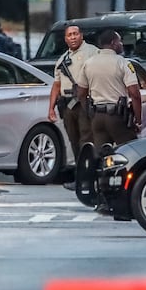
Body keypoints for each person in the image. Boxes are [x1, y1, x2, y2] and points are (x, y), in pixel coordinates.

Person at [48, 23, 99, 191]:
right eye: (69, 35)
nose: (73, 37)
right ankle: (80, 177)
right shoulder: (62, 60)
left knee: (86, 141)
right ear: (65, 39)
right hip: (68, 104)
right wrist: (51, 108)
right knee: (74, 142)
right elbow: (56, 85)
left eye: (75, 34)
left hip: (84, 102)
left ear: (81, 35)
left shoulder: (92, 52)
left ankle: (90, 178)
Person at [76, 29, 142, 156]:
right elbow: (134, 94)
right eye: (120, 41)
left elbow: (81, 93)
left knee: (101, 156)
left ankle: (103, 176)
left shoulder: (88, 63)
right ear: (113, 43)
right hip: (117, 117)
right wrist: (138, 120)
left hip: (97, 118)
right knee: (131, 152)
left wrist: (89, 112)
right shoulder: (123, 63)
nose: (122, 44)